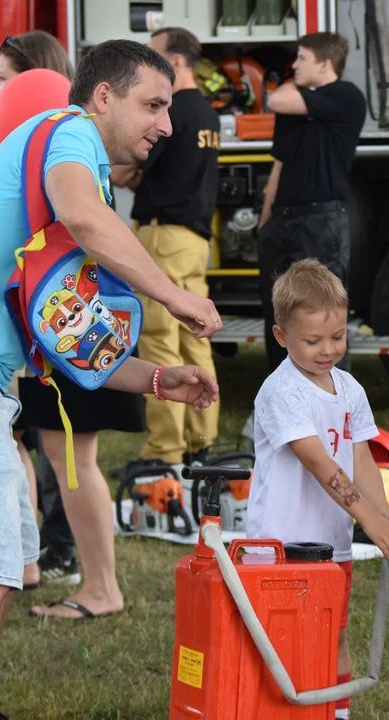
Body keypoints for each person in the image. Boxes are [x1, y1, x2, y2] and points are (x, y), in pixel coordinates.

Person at [0, 39, 221, 720]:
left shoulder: (66, 180)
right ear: (102, 97)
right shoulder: (66, 135)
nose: (167, 124)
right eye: (152, 104)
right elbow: (85, 219)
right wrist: (171, 294)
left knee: (2, 567)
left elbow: (73, 345)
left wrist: (159, 380)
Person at [246, 258, 389, 720]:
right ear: (281, 336)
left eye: (338, 337)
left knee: (333, 632)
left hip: (331, 544)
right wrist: (370, 520)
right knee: (281, 640)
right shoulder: (282, 392)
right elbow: (322, 466)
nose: (328, 349)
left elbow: (361, 459)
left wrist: (384, 519)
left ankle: (336, 714)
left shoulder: (350, 389)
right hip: (278, 546)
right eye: (313, 340)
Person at [0, 29, 83, 591]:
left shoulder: (62, 156)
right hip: (21, 317)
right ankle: (38, 550)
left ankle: (60, 548)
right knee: (28, 438)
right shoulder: (19, 150)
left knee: (55, 443)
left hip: (50, 317)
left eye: (6, 81)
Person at [117, 26, 220, 468]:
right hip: (196, 239)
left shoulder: (172, 113)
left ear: (177, 63)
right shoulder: (209, 115)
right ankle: (202, 440)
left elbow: (129, 171)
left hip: (161, 236)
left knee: (159, 340)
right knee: (196, 342)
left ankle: (165, 450)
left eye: (155, 58)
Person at [257, 32, 365, 374]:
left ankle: (334, 406)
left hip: (321, 221)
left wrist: (290, 87)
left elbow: (276, 99)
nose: (295, 65)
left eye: (302, 58)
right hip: (283, 221)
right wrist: (265, 219)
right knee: (278, 313)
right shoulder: (296, 104)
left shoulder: (346, 96)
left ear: (325, 63)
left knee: (325, 313)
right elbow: (280, 162)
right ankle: (282, 401)